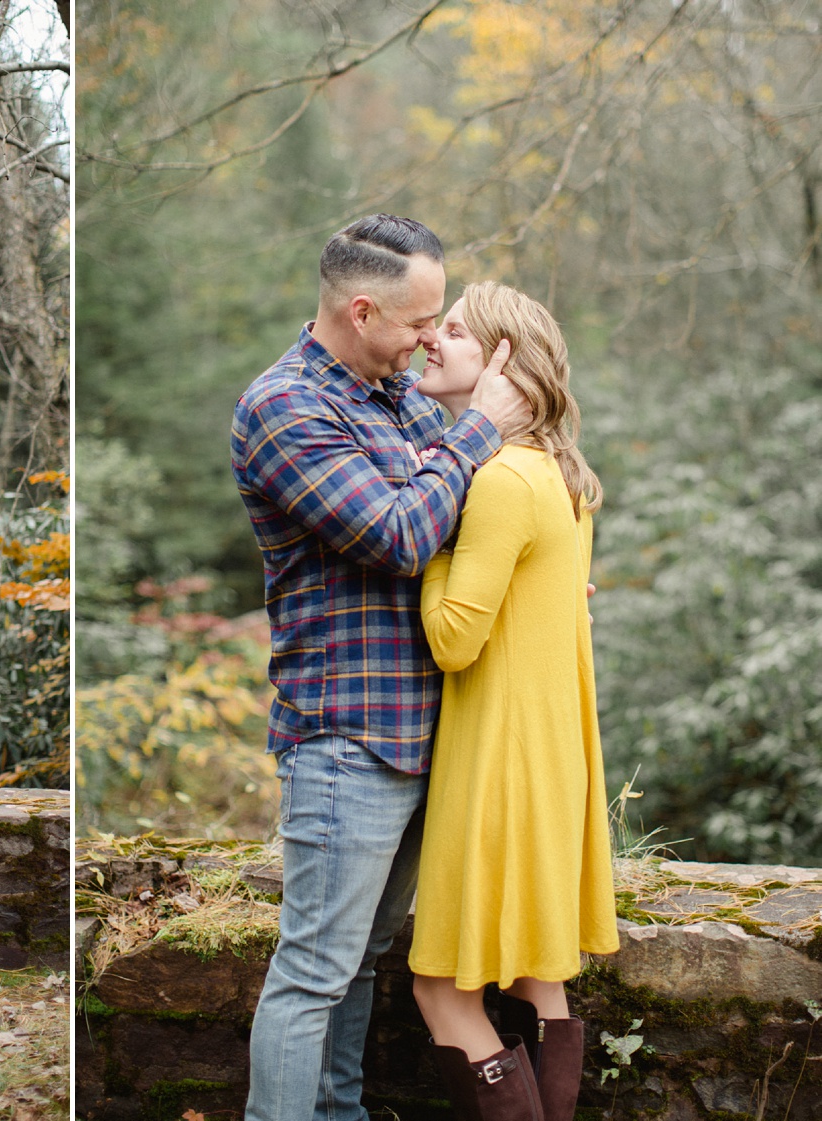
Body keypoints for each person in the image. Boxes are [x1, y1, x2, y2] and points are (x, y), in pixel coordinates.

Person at [229, 214, 530, 1121]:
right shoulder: (285, 408)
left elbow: (458, 534)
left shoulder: (396, 394)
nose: (434, 338)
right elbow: (399, 534)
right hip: (346, 739)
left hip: (427, 734)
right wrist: (477, 432)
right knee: (314, 970)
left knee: (362, 958)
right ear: (361, 310)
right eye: (419, 321)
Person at [409, 282, 619, 1120]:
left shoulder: (497, 483)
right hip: (552, 764)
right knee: (542, 973)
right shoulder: (562, 477)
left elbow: (456, 639)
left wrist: (431, 555)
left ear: (504, 364)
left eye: (453, 330)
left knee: (440, 990)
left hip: (495, 767)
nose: (433, 339)